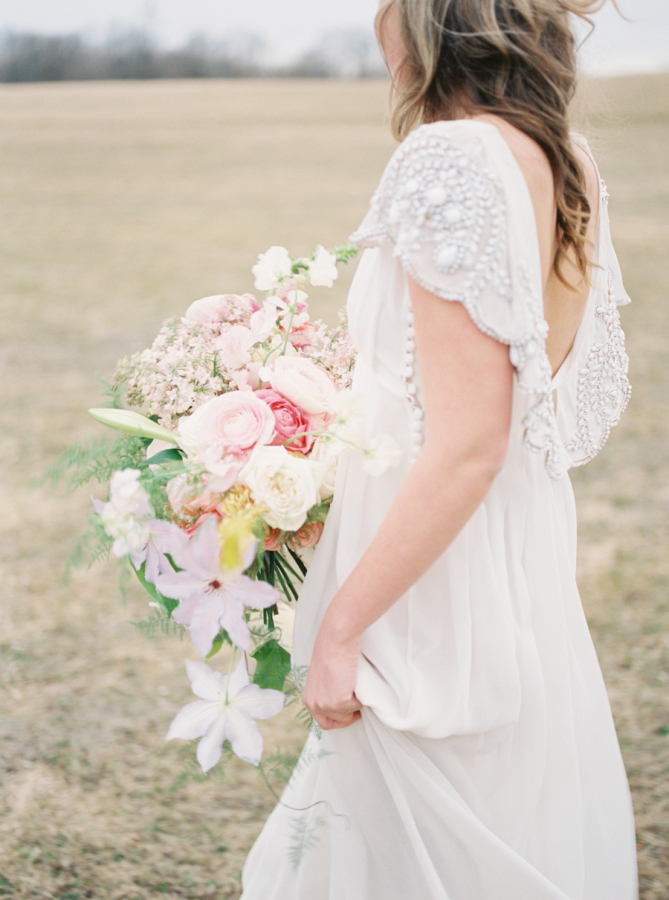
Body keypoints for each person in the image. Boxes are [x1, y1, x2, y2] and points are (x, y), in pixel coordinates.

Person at [241, 0, 638, 896]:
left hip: (431, 595)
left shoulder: (449, 157)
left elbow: (467, 442)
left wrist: (340, 628)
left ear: (433, 19)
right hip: (505, 566)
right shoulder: (563, 160)